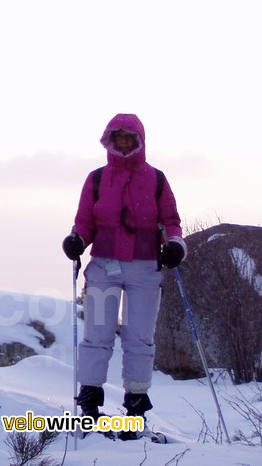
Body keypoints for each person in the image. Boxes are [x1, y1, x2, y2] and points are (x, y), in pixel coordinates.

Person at [61, 113, 186, 439]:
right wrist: (76, 239)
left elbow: (171, 220)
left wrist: (175, 245)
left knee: (139, 337)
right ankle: (89, 405)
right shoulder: (97, 179)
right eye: (118, 138)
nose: (124, 143)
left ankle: (135, 408)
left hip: (145, 267)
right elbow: (84, 221)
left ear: (139, 141)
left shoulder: (156, 179)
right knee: (97, 335)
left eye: (130, 138)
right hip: (103, 265)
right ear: (110, 141)